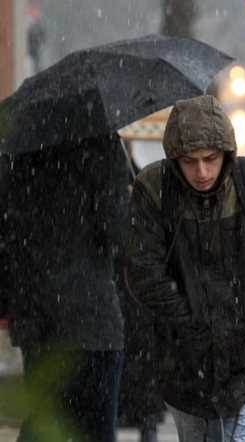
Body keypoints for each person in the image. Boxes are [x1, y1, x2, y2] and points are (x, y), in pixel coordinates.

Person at [126, 95, 245, 442]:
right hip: (186, 370)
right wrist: (188, 325)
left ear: (226, 154)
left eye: (210, 159)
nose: (202, 172)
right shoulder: (153, 189)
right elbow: (143, 272)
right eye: (190, 162)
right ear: (175, 159)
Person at [2, 134, 130, 442]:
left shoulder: (18, 147)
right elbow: (118, 234)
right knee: (95, 430)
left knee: (44, 424)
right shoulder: (101, 143)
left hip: (38, 318)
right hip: (92, 319)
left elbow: (6, 238)